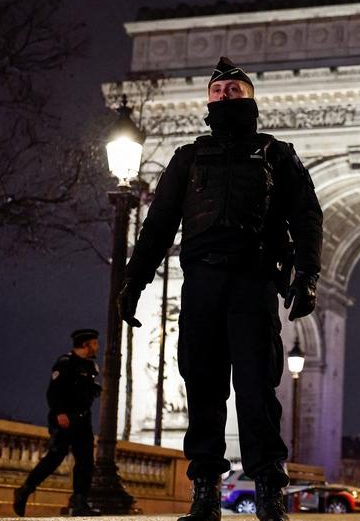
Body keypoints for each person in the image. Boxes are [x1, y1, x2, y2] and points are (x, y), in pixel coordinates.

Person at [117, 56, 323, 521]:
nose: (224, 97)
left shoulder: (277, 153)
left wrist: (308, 275)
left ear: (251, 99)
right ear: (207, 103)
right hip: (203, 284)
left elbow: (307, 217)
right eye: (217, 92)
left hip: (252, 282)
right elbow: (158, 225)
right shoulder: (188, 157)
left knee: (257, 389)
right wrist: (135, 279)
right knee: (202, 388)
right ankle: (205, 492)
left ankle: (269, 491)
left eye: (233, 91)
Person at [14, 329, 102, 517]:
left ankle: (80, 501)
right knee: (54, 459)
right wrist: (60, 413)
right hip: (65, 419)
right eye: (94, 343)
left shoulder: (90, 366)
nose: (97, 347)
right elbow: (53, 393)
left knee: (86, 462)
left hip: (83, 420)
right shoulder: (65, 363)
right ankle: (25, 490)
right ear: (85, 344)